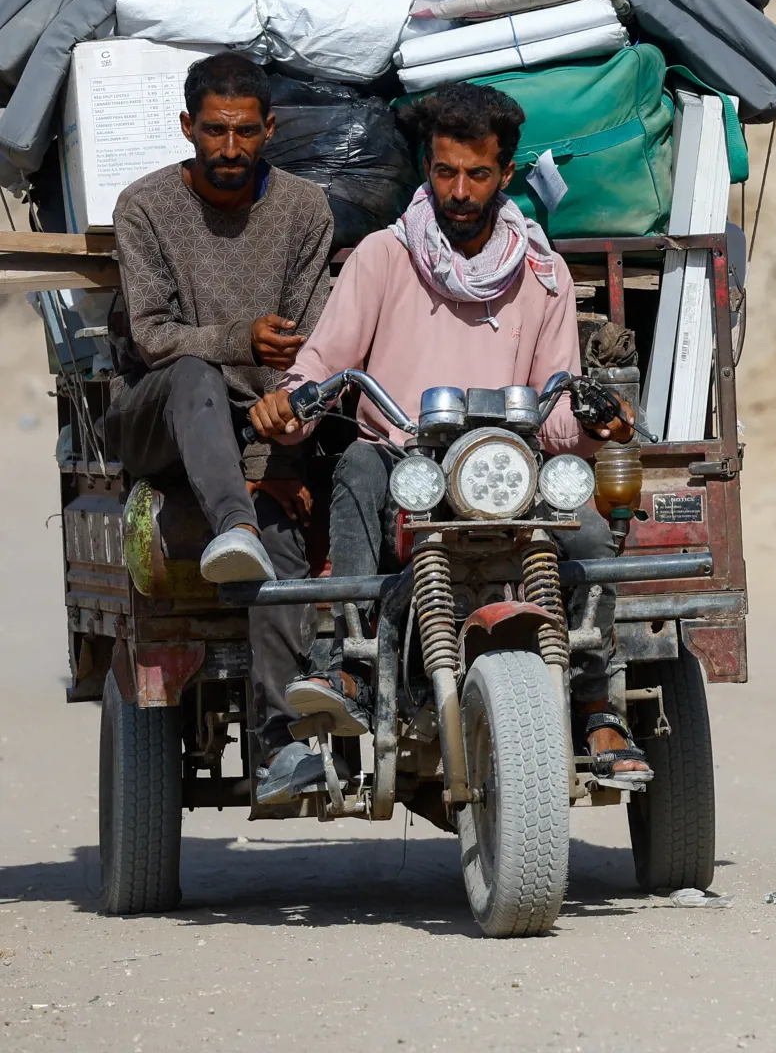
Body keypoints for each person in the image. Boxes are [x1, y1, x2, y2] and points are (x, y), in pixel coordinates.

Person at [250, 82, 646, 793]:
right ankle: (350, 661)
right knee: (357, 476)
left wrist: (589, 426)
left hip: (504, 471)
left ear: (507, 171)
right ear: (426, 169)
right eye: (444, 172)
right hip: (405, 460)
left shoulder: (543, 275)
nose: (459, 191)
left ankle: (595, 704)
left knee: (587, 532)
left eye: (478, 174)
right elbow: (324, 361)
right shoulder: (382, 256)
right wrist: (289, 403)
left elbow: (557, 405)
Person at [102, 52, 335, 803]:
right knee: (196, 373)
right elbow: (153, 337)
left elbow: (309, 346)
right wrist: (237, 339)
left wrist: (285, 450)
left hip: (257, 424)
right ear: (186, 128)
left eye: (243, 132)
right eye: (212, 132)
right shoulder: (144, 207)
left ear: (269, 130)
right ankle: (232, 519)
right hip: (158, 416)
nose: (228, 149)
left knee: (281, 537)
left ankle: (279, 740)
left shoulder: (305, 210)